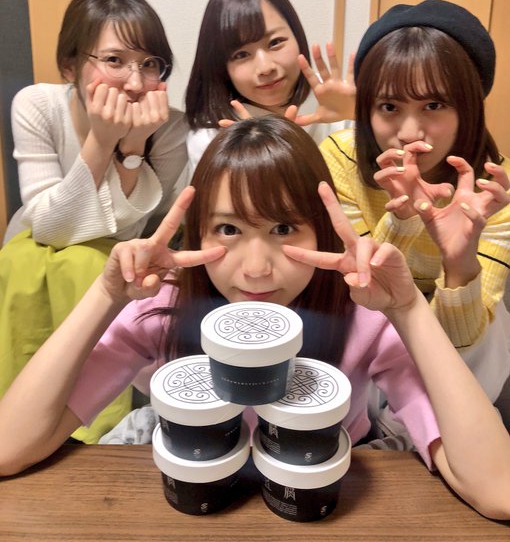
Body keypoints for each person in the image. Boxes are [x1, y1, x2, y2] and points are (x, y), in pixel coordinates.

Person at [1, 115, 509, 521]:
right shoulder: (164, 310)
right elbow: (8, 447)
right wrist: (106, 294)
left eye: (284, 228)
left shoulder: (361, 318)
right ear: (198, 232)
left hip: (321, 501)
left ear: (321, 230)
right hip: (185, 496)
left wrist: (408, 308)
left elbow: (498, 489)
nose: (257, 269)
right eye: (228, 229)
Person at [0, 0, 188, 441]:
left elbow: (130, 229)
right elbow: (50, 228)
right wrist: (102, 142)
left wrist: (133, 147)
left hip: (121, 254)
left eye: (149, 64)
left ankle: (91, 430)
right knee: (25, 261)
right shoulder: (36, 105)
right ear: (70, 66)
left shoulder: (169, 127)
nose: (135, 82)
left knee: (89, 261)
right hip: (35, 245)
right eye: (114, 60)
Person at [319, 0, 510, 411]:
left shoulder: (494, 192)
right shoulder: (342, 158)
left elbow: (463, 344)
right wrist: (402, 217)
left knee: (491, 340)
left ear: (469, 106)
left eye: (433, 105)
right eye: (389, 107)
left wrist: (459, 263)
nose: (409, 133)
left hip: (458, 331)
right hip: (375, 304)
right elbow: (364, 288)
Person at [184, 0, 355, 174]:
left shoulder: (332, 98)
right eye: (241, 55)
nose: (265, 68)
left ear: (297, 35)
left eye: (275, 42)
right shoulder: (212, 139)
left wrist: (358, 116)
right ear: (221, 67)